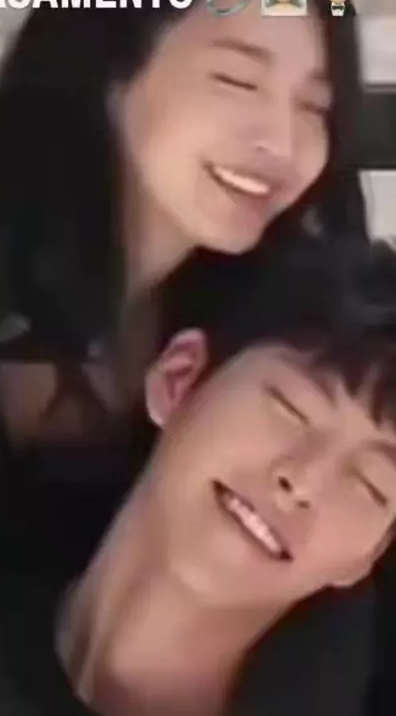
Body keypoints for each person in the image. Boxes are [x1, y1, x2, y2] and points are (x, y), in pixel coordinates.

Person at [0, 0, 368, 716]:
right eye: (237, 79)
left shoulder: (260, 324)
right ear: (110, 71)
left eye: (315, 106)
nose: (282, 141)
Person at [58, 236, 396, 716]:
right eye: (291, 409)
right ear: (180, 378)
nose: (303, 481)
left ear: (368, 555)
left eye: (370, 484)